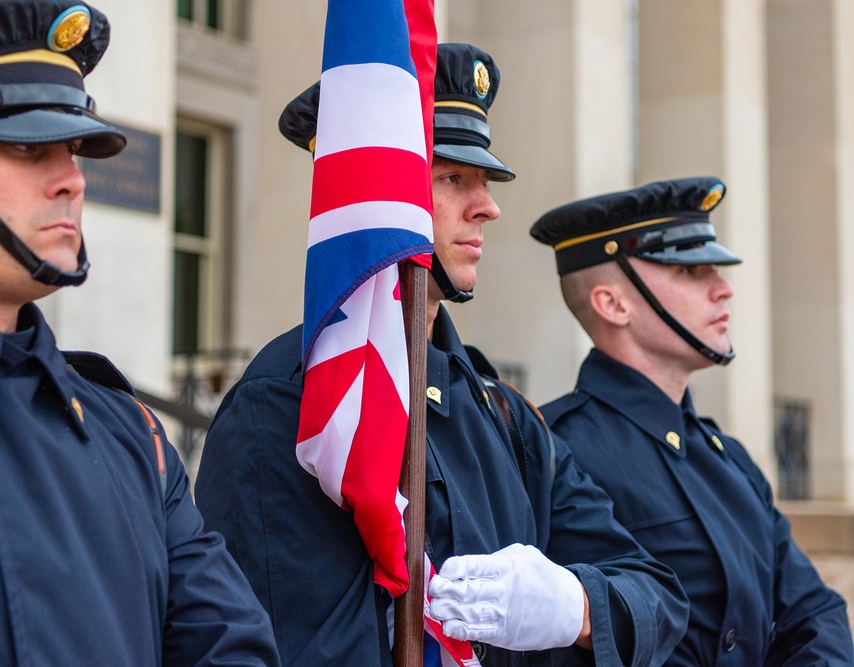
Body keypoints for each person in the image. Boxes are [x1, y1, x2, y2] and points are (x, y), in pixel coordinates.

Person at [195, 43, 688, 666]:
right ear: (375, 192)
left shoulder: (506, 418)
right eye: (453, 177)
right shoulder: (292, 406)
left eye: (483, 181)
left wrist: (577, 605)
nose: (488, 206)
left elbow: (658, 596)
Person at [0, 1, 280, 664]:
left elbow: (230, 648)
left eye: (73, 147)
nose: (73, 179)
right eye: (26, 146)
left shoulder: (130, 434)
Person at [531, 177, 854, 665]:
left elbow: (814, 611)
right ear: (613, 304)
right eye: (691, 272)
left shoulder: (730, 459)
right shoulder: (554, 450)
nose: (723, 289)